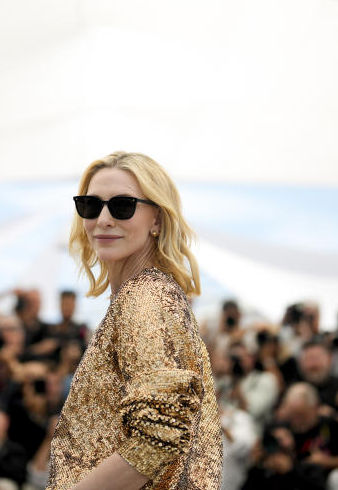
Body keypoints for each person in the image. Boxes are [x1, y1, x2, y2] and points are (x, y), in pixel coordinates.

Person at [46, 151, 222, 490]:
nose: (104, 219)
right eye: (91, 205)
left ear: (156, 219)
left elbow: (158, 437)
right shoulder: (150, 294)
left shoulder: (145, 297)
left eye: (123, 205)